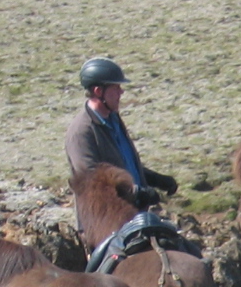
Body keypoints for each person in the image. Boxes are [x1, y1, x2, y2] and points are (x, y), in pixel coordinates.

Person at [64, 58, 177, 209]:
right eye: (116, 87)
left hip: (132, 212)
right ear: (99, 91)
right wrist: (137, 193)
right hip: (107, 218)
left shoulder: (113, 119)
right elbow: (92, 181)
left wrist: (155, 179)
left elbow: (124, 164)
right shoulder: (81, 132)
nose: (121, 92)